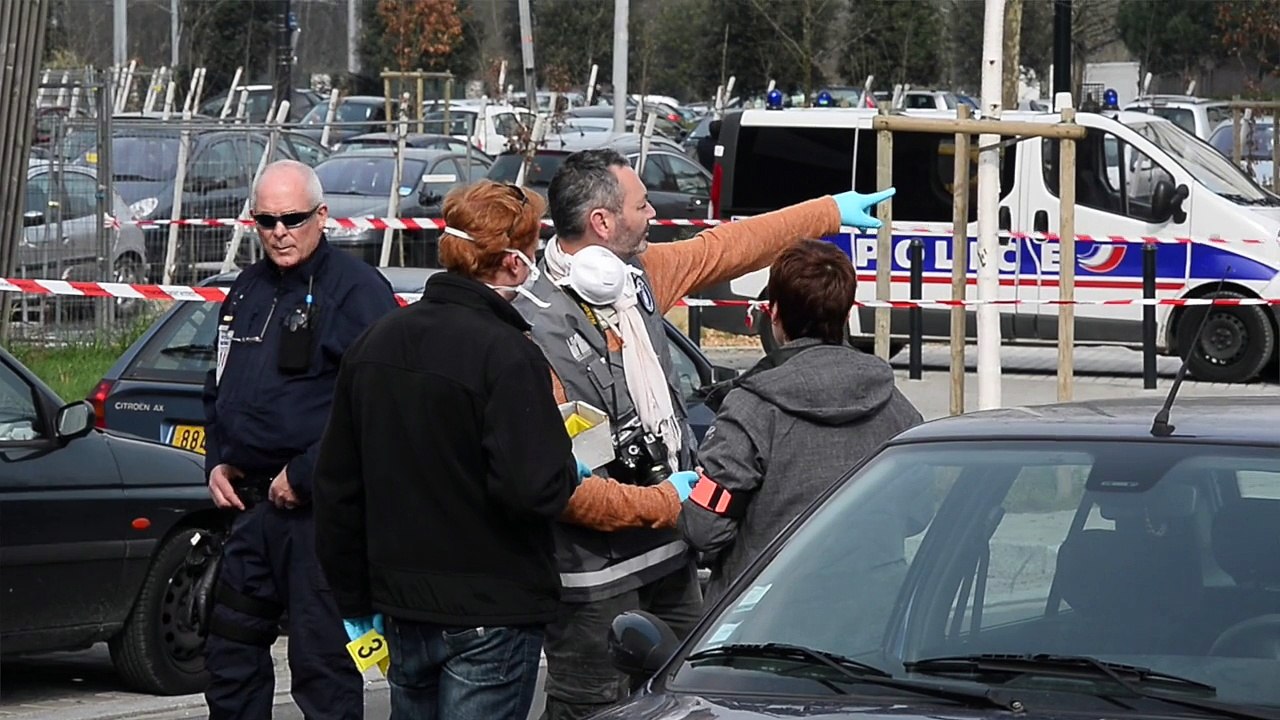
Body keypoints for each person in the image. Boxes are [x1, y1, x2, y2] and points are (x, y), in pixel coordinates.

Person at [511, 148, 894, 719]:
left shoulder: (639, 278)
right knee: (588, 707)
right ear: (602, 222)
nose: (651, 218)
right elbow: (559, 483)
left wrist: (827, 213)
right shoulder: (529, 323)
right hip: (594, 577)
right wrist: (664, 500)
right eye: (641, 207)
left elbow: (729, 248)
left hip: (671, 552)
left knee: (699, 696)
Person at [312, 180, 699, 720]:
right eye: (536, 253)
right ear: (514, 263)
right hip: (492, 613)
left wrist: (355, 601)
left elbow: (336, 488)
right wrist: (576, 471)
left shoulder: (376, 344)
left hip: (403, 609)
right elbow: (535, 488)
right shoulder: (506, 354)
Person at [201, 159, 399, 720]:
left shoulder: (358, 293)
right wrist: (218, 460)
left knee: (322, 668)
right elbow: (217, 385)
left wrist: (309, 474)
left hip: (319, 516)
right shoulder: (247, 288)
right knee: (229, 653)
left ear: (322, 216)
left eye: (291, 218)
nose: (279, 232)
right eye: (266, 220)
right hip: (249, 510)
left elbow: (377, 408)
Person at [681, 239, 923, 603]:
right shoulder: (896, 405)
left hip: (764, 616)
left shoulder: (750, 409)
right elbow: (919, 512)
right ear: (847, 311)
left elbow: (704, 528)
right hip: (873, 610)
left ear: (774, 313)